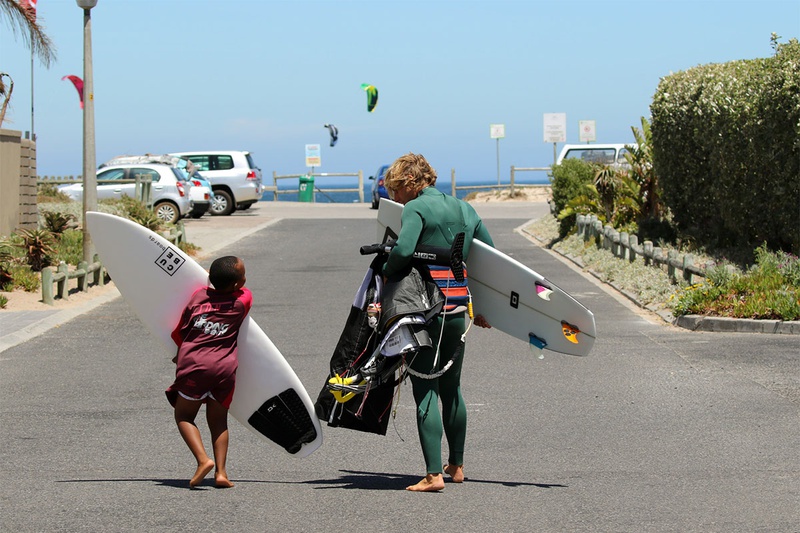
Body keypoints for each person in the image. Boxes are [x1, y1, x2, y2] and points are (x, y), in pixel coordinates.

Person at [382, 153, 494, 492]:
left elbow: (403, 251)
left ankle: (433, 475)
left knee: (425, 387)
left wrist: (385, 271)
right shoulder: (465, 209)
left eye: (395, 189)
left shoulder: (416, 208)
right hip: (457, 310)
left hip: (425, 310)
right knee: (452, 388)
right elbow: (490, 256)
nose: (394, 197)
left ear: (410, 182)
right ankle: (456, 466)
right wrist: (484, 306)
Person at [165, 256, 252, 489]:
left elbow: (180, 331)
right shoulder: (241, 301)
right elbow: (243, 290)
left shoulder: (198, 297)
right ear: (237, 284)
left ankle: (203, 460)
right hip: (224, 368)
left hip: (194, 367)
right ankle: (221, 473)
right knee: (219, 421)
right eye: (243, 275)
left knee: (184, 416)